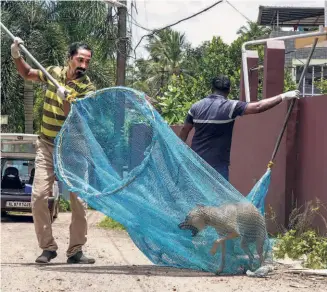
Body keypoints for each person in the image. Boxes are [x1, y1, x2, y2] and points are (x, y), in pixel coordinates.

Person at [11, 37, 96, 264]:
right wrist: (17, 55)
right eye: (79, 60)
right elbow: (28, 74)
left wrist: (66, 97)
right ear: (69, 59)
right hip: (47, 144)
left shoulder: (87, 87)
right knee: (38, 196)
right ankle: (47, 248)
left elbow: (74, 117)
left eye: (87, 62)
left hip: (74, 148)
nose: (83, 66)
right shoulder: (52, 73)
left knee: (79, 200)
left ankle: (76, 251)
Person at [179, 75, 300, 181]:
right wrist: (283, 96)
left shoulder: (196, 107)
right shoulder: (230, 107)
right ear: (229, 90)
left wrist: (178, 151)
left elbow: (185, 130)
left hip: (196, 163)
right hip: (218, 166)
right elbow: (258, 107)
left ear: (212, 89)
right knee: (221, 203)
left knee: (197, 201)